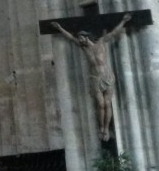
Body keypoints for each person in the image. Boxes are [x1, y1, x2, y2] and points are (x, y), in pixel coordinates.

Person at [51, 13, 132, 141]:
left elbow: (114, 33)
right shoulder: (84, 49)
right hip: (95, 78)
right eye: (79, 38)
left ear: (86, 36)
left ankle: (106, 128)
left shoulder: (101, 43)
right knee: (100, 104)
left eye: (81, 37)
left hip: (107, 76)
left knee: (107, 103)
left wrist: (123, 21)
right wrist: (60, 28)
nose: (80, 40)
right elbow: (71, 38)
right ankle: (101, 127)